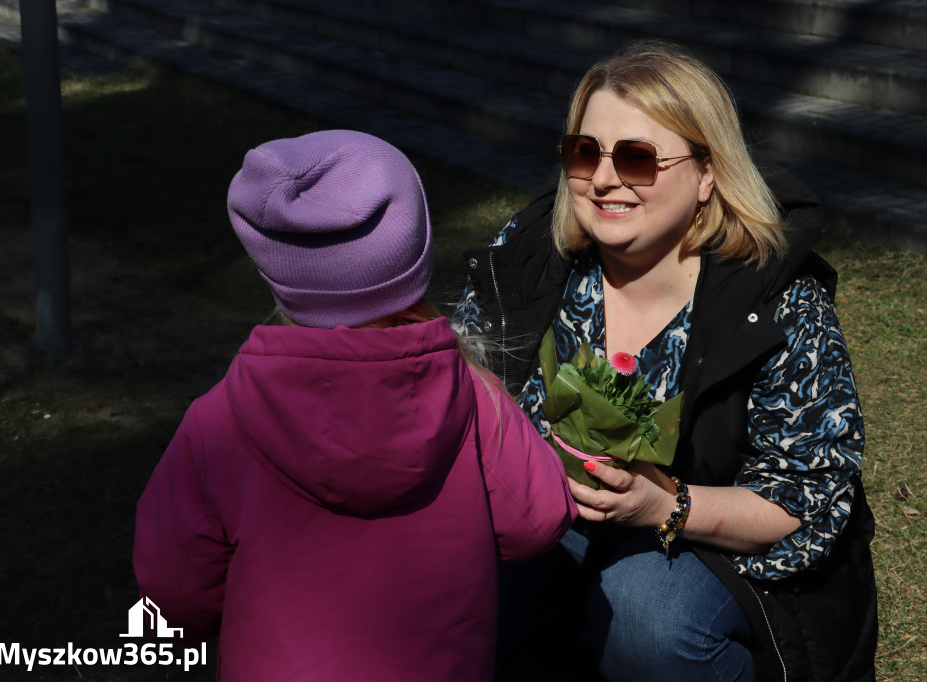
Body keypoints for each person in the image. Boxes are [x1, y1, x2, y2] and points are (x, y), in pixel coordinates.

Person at [453, 41, 878, 682]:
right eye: (583, 151)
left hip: (719, 544)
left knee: (648, 616)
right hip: (545, 517)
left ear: (707, 173)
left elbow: (804, 495)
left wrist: (666, 506)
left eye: (637, 158)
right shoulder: (527, 256)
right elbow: (465, 393)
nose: (601, 178)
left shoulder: (776, 295)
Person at [131, 130, 577, 681]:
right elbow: (539, 521)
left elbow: (173, 591)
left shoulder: (219, 421)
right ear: (413, 251)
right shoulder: (475, 399)